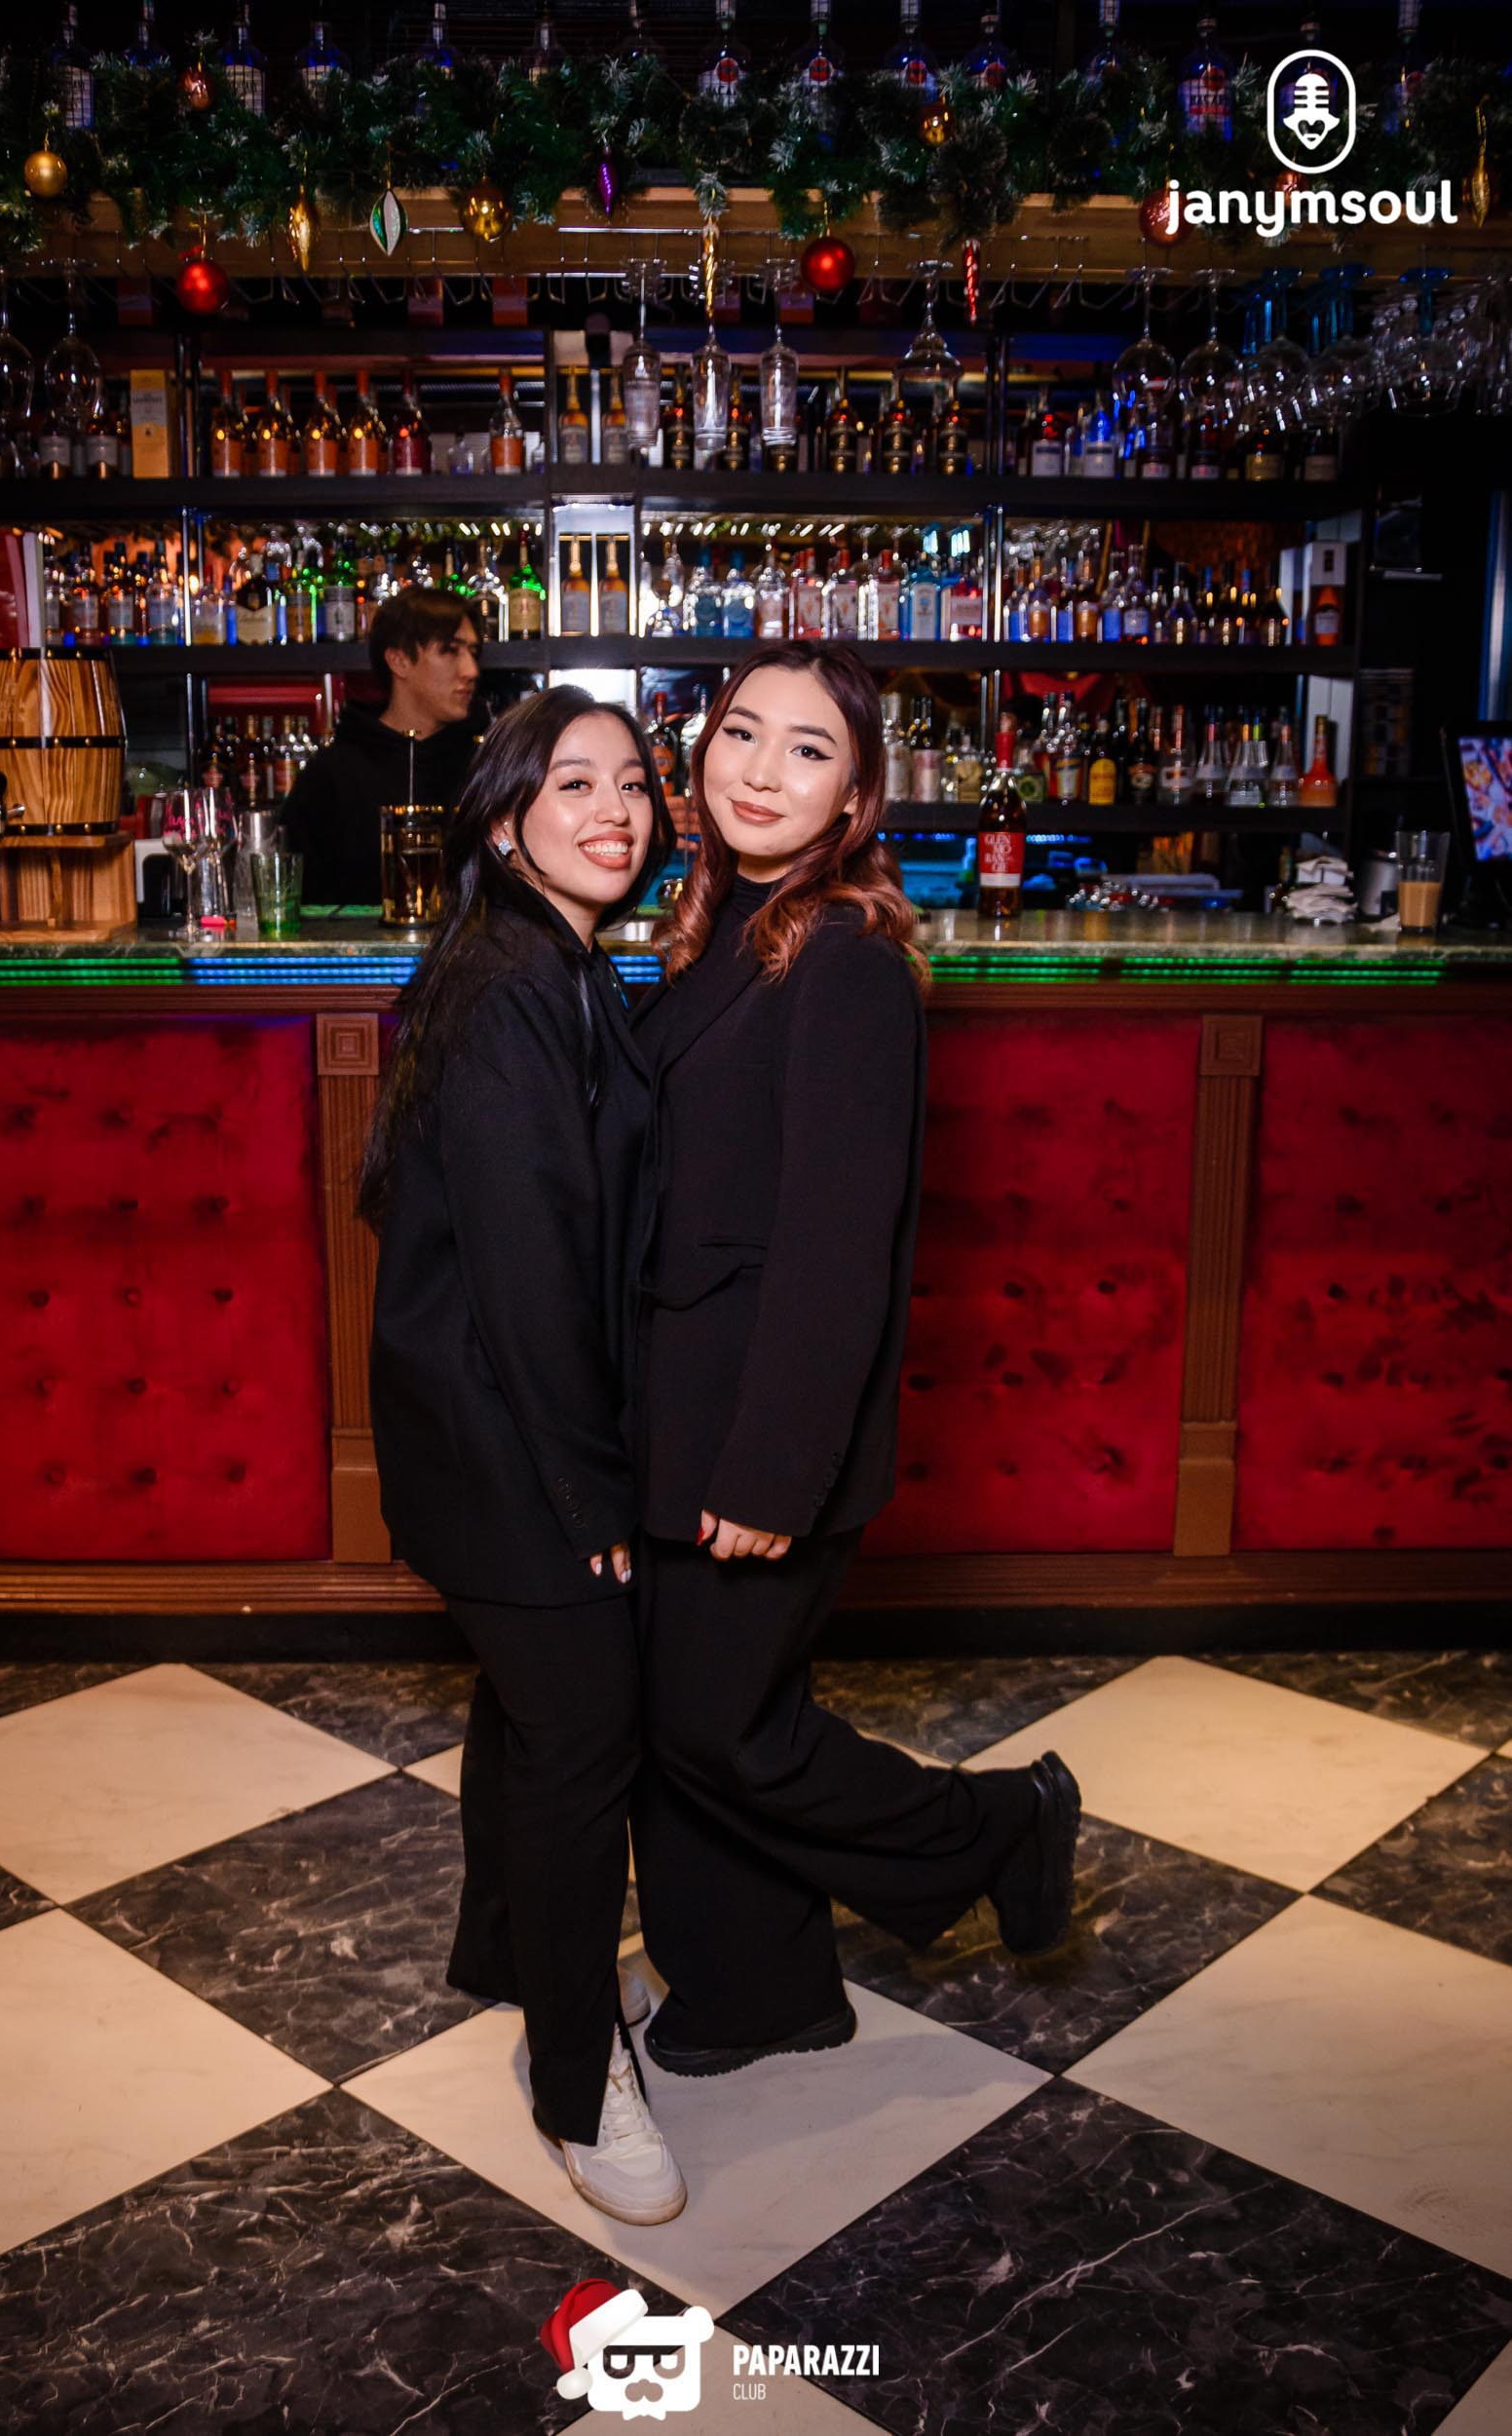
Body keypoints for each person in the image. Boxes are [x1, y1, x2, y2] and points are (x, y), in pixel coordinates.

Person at [627, 640, 1082, 2076]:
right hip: (672, 1406)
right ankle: (758, 1987)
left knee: (718, 1728)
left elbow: (838, 1246)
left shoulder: (845, 962)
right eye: (739, 734)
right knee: (687, 1721)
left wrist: (774, 1470)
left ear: (856, 797)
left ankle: (993, 1825)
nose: (761, 771)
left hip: (759, 1427)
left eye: (806, 749)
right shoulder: (718, 928)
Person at [361, 684, 684, 2221]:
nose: (615, 809)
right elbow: (527, 1270)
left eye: (632, 782)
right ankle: (575, 2079)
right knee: (582, 1738)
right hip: (504, 1447)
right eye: (574, 784)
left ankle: (509, 1952)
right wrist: (587, 1491)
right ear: (504, 821)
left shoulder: (549, 959)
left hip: (488, 1434)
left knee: (527, 1711)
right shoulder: (508, 987)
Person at [284, 588, 482, 907]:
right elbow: (299, 906)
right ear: (399, 660)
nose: (471, 670)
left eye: (473, 652)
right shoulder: (331, 775)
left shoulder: (486, 767)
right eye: (450, 651)